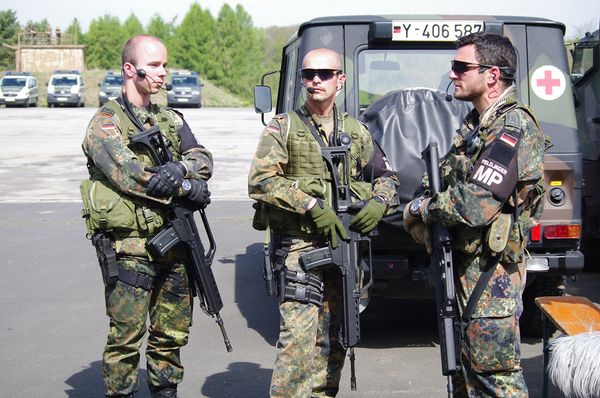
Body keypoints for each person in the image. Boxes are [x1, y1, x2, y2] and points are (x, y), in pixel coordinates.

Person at [248, 47, 399, 397]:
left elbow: (387, 176)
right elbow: (260, 181)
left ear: (340, 80)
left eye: (325, 74)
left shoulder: (355, 132)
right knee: (297, 344)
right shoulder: (283, 128)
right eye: (308, 74)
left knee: (335, 338)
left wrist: (378, 203)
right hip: (300, 250)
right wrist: (311, 204)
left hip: (344, 249)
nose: (315, 80)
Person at [404, 32, 547, 397]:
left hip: (491, 279)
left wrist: (423, 208)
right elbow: (436, 181)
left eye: (460, 67)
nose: (453, 74)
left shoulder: (512, 129)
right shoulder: (475, 127)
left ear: (492, 76)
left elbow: (475, 204)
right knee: (463, 378)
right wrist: (426, 199)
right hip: (463, 272)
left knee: (495, 381)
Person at [81, 35, 212, 398]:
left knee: (171, 335)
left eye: (164, 65)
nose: (162, 73)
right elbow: (131, 176)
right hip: (131, 249)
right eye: (154, 65)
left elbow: (203, 159)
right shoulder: (105, 123)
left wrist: (184, 168)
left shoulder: (170, 118)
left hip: (176, 243)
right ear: (129, 69)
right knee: (125, 338)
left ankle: (165, 391)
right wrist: (186, 187)